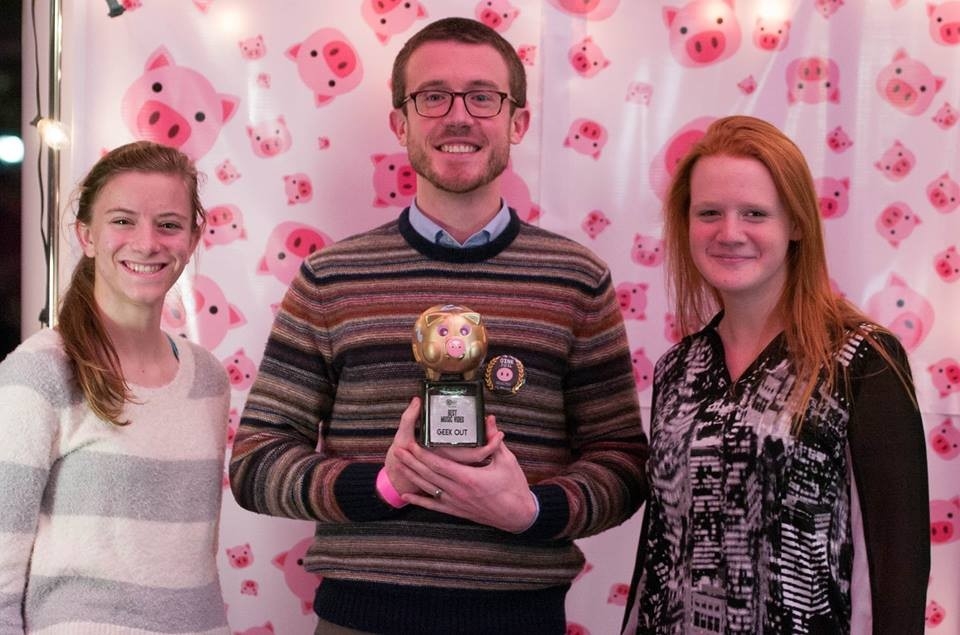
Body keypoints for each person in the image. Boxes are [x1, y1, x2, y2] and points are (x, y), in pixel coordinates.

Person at [230, 16, 648, 635]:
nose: (459, 116)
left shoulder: (576, 280)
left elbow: (622, 464)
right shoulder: (329, 278)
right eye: (433, 97)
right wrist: (381, 487)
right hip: (358, 620)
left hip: (521, 620)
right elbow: (255, 462)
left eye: (483, 96)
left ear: (518, 121)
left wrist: (529, 510)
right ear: (401, 122)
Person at [621, 116, 930, 634]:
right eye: (710, 213)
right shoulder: (679, 368)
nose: (730, 232)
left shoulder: (861, 359)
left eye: (756, 213)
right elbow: (658, 548)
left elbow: (899, 558)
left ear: (797, 225)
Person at [0, 141, 231, 634]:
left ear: (193, 238)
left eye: (168, 224)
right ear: (86, 235)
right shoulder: (40, 372)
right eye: (123, 220)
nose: (147, 242)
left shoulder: (208, 378)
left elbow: (194, 559)